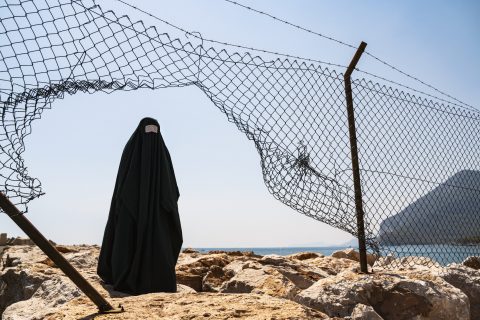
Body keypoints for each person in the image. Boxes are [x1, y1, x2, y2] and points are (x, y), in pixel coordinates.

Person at [97, 117, 182, 294]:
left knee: (160, 243)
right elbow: (122, 181)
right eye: (148, 131)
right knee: (127, 241)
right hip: (131, 208)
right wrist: (129, 203)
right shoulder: (131, 150)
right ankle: (125, 278)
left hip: (157, 212)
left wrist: (166, 204)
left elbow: (171, 186)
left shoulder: (162, 154)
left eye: (154, 131)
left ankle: (159, 282)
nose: (151, 134)